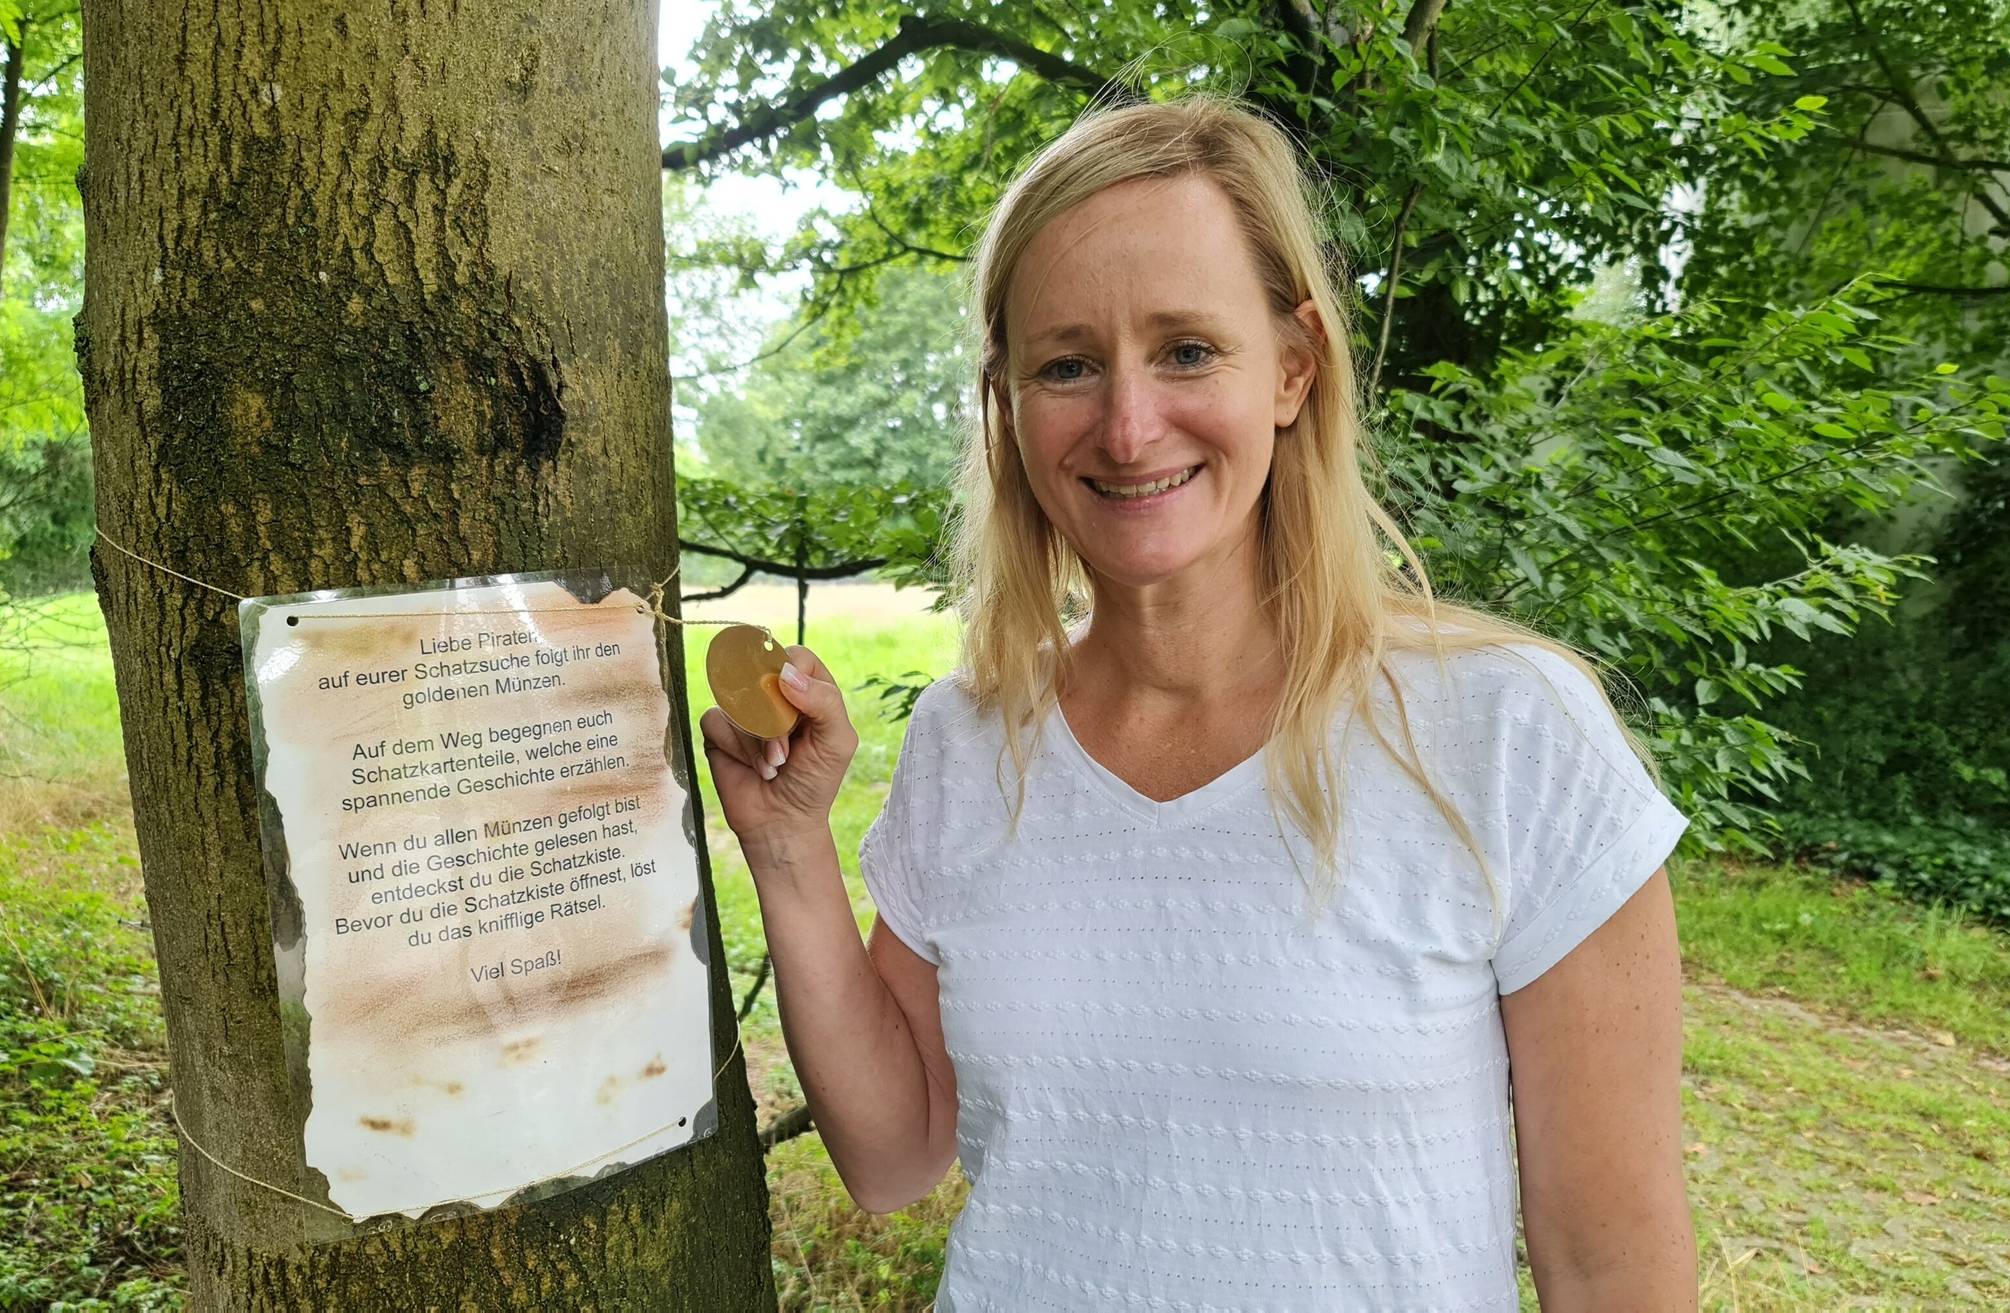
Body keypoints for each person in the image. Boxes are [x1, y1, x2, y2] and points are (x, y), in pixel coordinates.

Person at [700, 92, 1697, 1311]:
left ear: (1292, 366)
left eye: (1186, 349)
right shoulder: (974, 739)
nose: (1127, 426)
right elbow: (896, 1153)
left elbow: (1615, 1269)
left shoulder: (1506, 736)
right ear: (1007, 406)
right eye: (1067, 363)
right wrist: (793, 849)